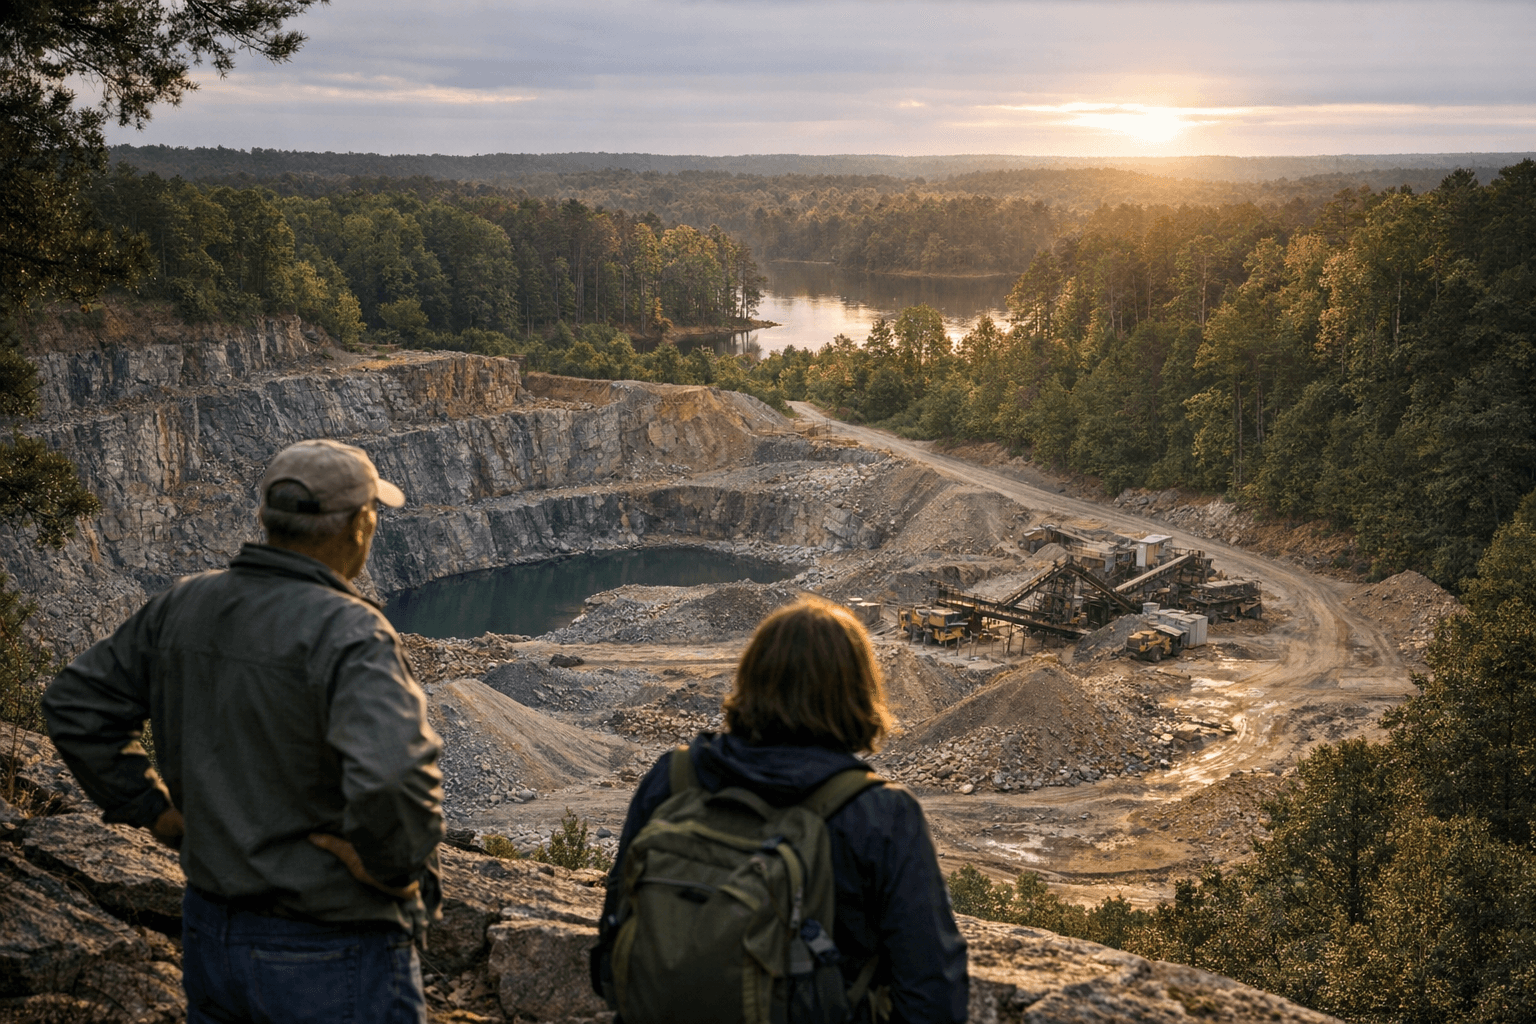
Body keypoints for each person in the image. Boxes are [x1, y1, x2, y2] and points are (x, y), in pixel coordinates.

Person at [44, 438, 444, 1024]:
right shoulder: (352, 633)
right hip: (329, 945)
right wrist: (391, 869)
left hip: (210, 929)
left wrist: (154, 810)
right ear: (361, 524)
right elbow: (393, 774)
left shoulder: (185, 603)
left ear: (265, 518)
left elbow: (75, 704)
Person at [594, 596, 968, 1023]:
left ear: (751, 676)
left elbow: (613, 940)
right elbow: (932, 994)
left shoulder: (674, 777)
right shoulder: (880, 814)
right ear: (858, 691)